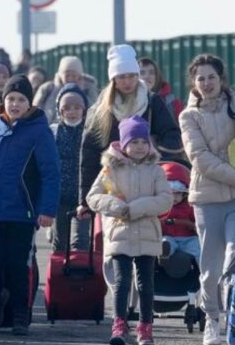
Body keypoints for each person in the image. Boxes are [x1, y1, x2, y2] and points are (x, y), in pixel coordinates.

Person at [179, 53, 235, 345]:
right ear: (194, 82)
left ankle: (233, 320)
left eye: (211, 77)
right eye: (200, 78)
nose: (207, 83)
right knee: (211, 267)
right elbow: (201, 159)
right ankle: (211, 319)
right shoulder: (189, 116)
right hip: (207, 199)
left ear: (221, 78)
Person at [0, 75, 60, 336]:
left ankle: (20, 315)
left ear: (29, 103)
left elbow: (51, 173)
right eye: (11, 99)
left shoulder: (40, 131)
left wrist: (47, 209)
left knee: (18, 265)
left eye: (21, 100)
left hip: (23, 211)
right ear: (4, 101)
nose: (15, 104)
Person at [86, 115, 173, 345]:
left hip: (146, 232)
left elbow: (165, 199)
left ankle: (145, 327)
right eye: (134, 142)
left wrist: (136, 208)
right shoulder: (109, 170)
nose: (139, 147)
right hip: (119, 233)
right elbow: (93, 197)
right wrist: (116, 207)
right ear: (123, 144)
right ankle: (119, 324)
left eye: (143, 142)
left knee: (146, 283)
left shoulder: (156, 171)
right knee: (122, 282)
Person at [77, 44, 183, 219]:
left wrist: (153, 155)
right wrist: (85, 201)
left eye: (132, 76)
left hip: (147, 186)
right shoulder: (102, 110)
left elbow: (172, 136)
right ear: (113, 79)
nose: (127, 82)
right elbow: (89, 155)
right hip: (113, 189)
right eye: (121, 77)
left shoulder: (151, 102)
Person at [49, 83, 90, 251]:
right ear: (60, 111)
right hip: (60, 196)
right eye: (67, 108)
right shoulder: (54, 132)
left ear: (84, 109)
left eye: (77, 107)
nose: (72, 112)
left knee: (81, 242)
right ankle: (59, 275)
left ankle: (81, 275)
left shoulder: (90, 132)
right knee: (60, 241)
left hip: (84, 196)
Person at [33, 56, 98, 124]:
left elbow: (94, 111)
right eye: (67, 76)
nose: (70, 79)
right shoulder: (48, 89)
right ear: (60, 75)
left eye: (74, 76)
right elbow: (35, 111)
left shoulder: (88, 89)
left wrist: (81, 92)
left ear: (79, 76)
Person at [158, 162, 199, 265]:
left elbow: (196, 221)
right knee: (165, 242)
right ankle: (163, 254)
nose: (174, 198)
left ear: (184, 194)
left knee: (198, 248)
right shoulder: (159, 207)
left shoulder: (189, 206)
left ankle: (204, 271)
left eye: (178, 193)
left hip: (187, 237)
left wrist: (194, 226)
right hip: (168, 236)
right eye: (171, 194)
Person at [138, 57, 183, 123]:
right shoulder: (128, 101)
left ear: (157, 77)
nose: (147, 76)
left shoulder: (173, 103)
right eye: (142, 73)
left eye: (151, 73)